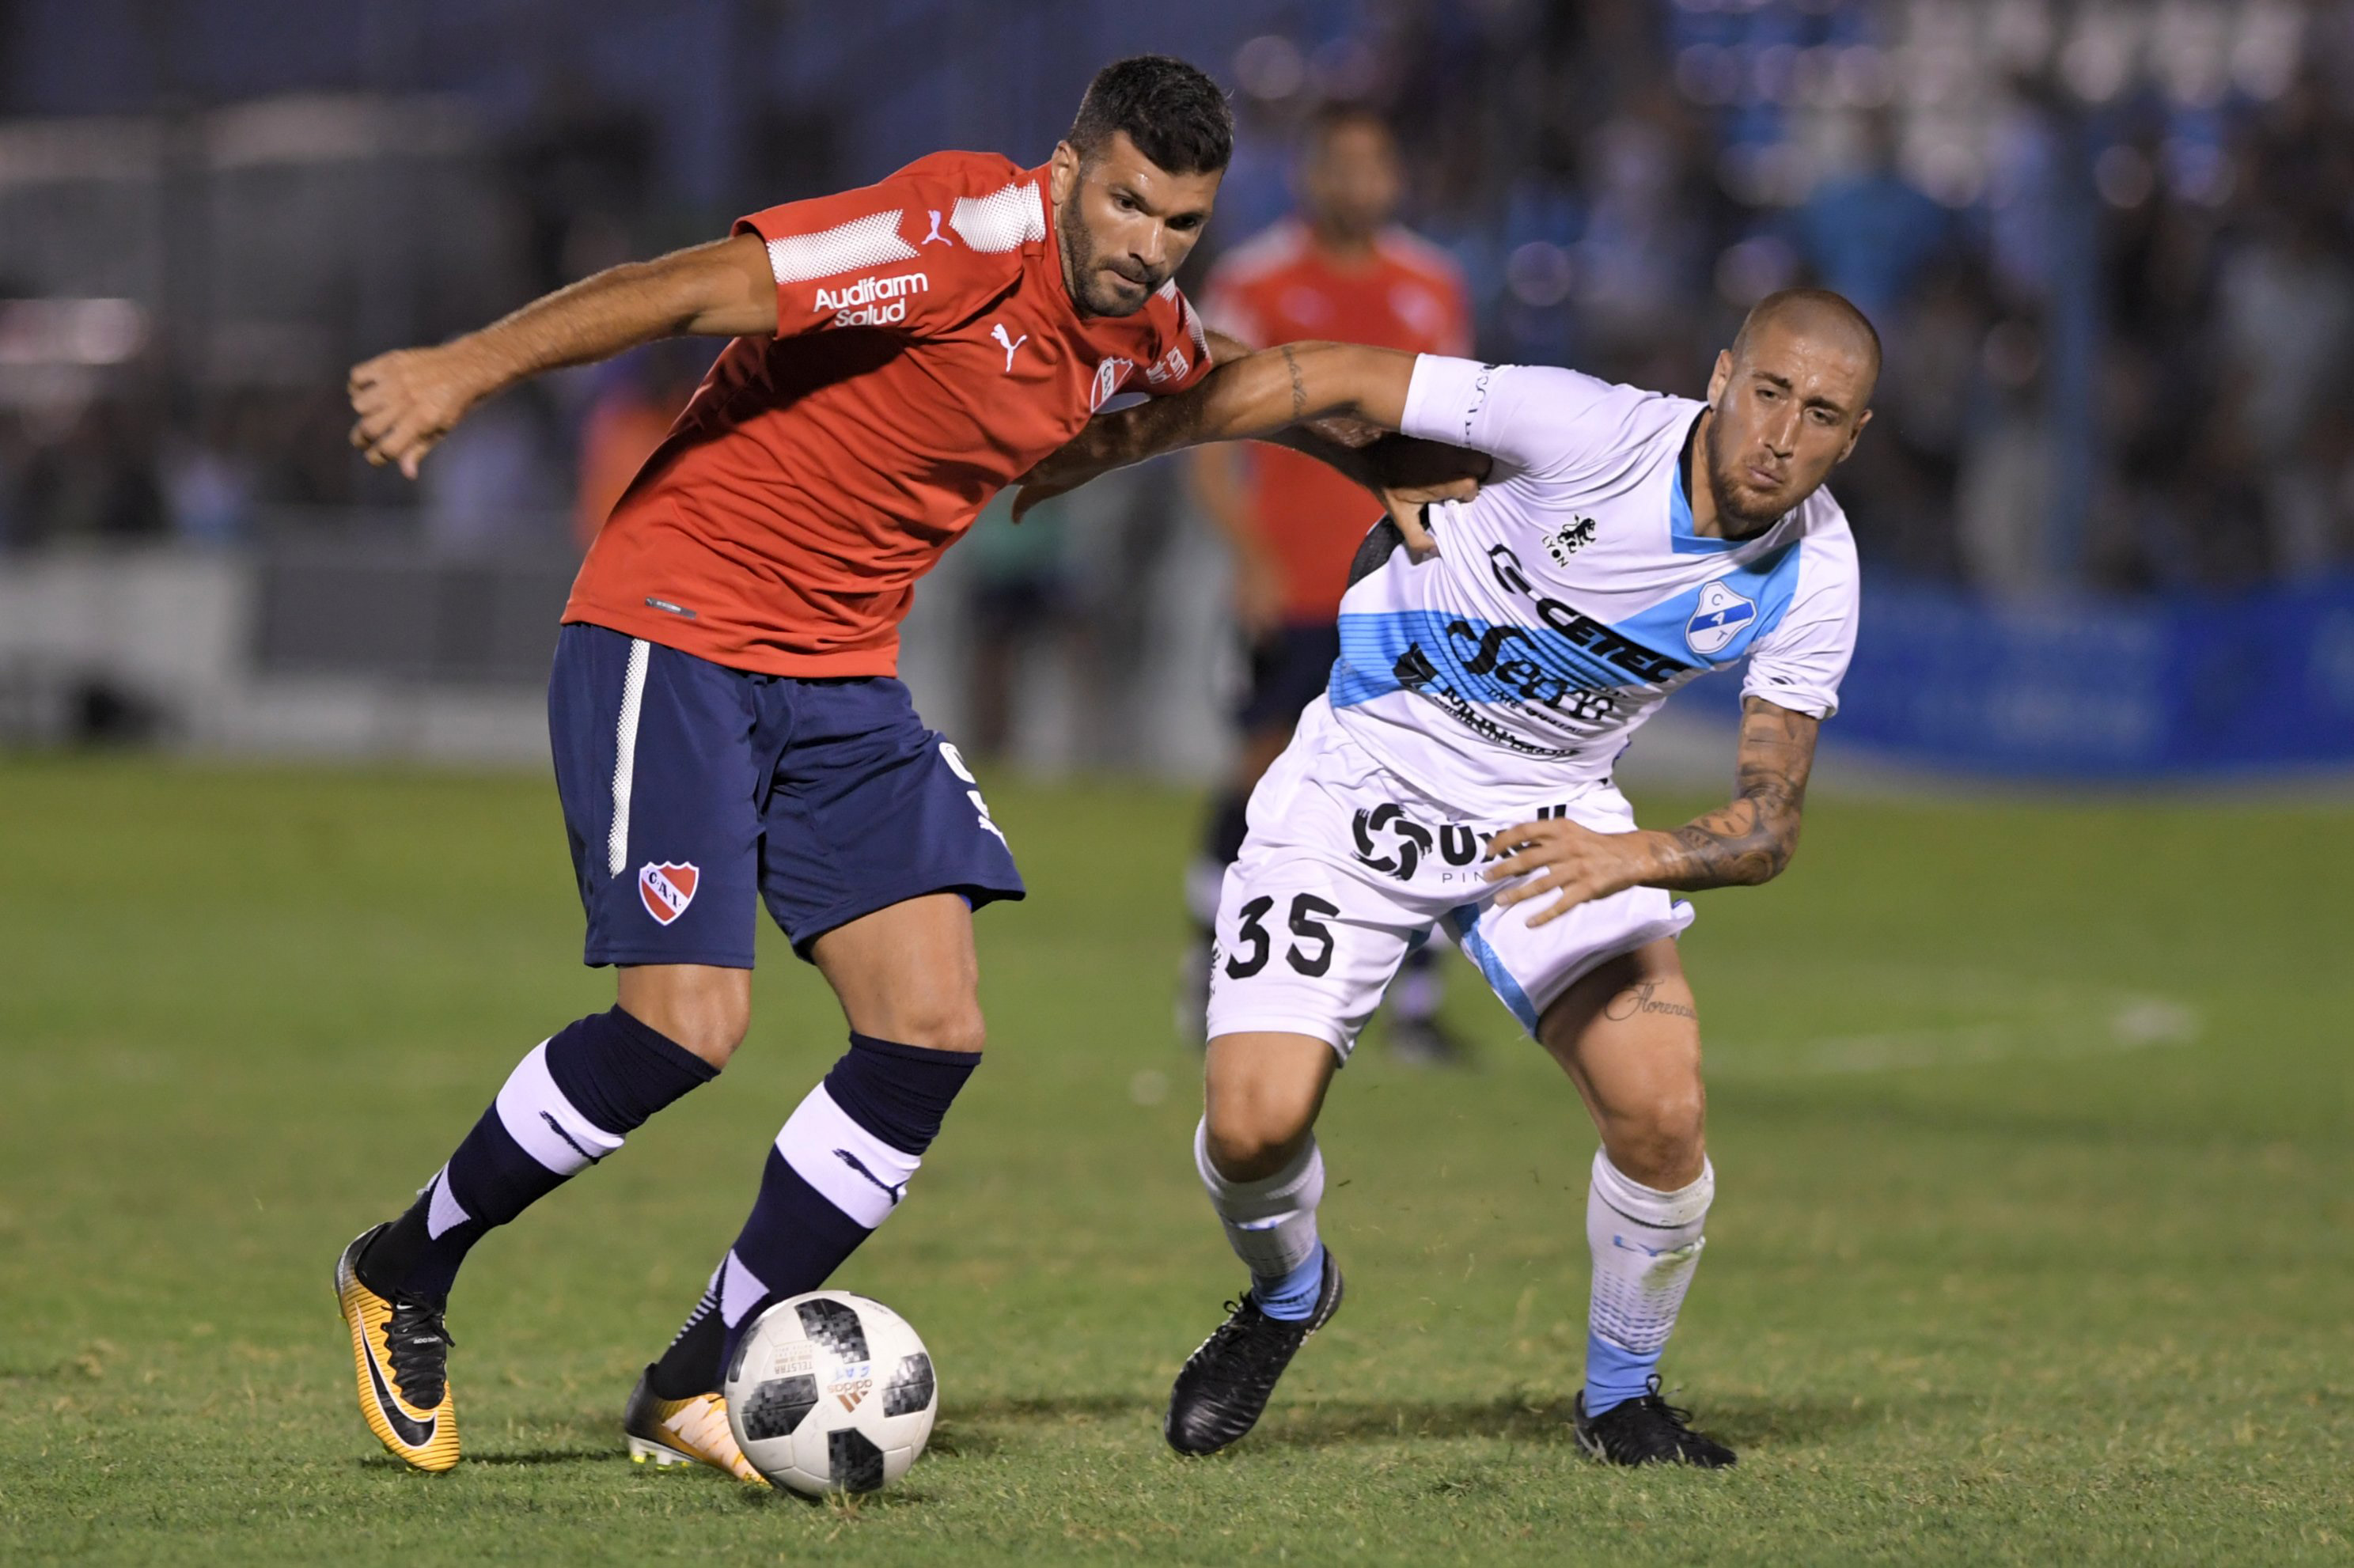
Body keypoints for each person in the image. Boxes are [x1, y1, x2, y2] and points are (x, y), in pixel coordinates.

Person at [332, 56, 1257, 1483]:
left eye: (1181, 220)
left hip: (842, 676)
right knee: (687, 1025)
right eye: (1127, 201)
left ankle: (698, 1376)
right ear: (1068, 173)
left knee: (931, 1030)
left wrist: (1374, 459)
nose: (1148, 241)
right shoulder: (953, 236)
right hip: (674, 626)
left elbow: (1233, 387)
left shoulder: (1145, 324)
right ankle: (404, 1267)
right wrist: (468, 368)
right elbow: (698, 284)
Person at [1014, 288, 1875, 1468]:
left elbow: (1767, 824)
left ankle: (1618, 1398)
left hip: (1549, 818)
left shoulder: (1814, 568)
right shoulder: (1585, 428)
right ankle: (1285, 1291)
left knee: (1662, 1107)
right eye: (1769, 391)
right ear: (1722, 374)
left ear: (1852, 437)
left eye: (1820, 414)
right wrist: (1119, 441)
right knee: (1253, 1126)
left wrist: (1626, 854)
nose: (1781, 434)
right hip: (1361, 774)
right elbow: (1330, 373)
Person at [1186, 104, 1476, 1063]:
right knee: (1263, 770)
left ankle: (1418, 1010)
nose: (1356, 182)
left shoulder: (1431, 285)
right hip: (1298, 581)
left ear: (1394, 177)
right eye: (1339, 164)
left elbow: (1464, 432)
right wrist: (1249, 556)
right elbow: (1204, 431)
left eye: (1373, 164)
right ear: (1312, 174)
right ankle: (1210, 971)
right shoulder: (1256, 279)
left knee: (1425, 774)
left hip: (1408, 581)